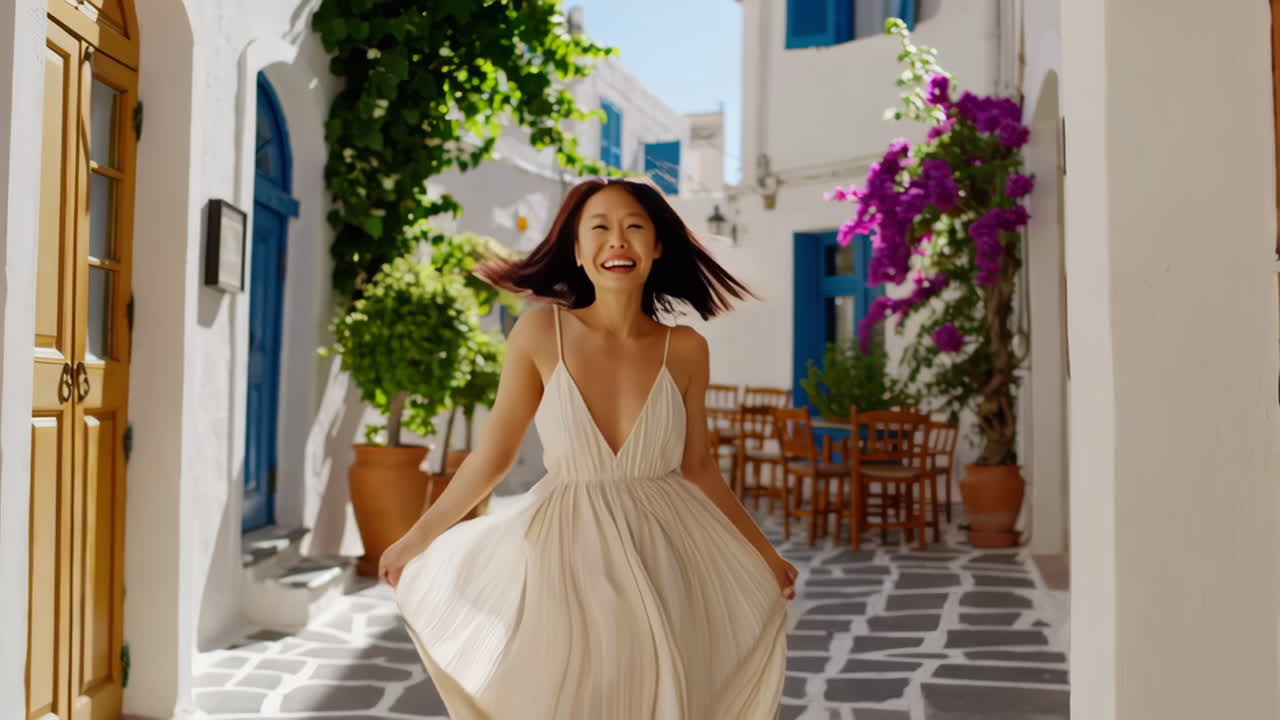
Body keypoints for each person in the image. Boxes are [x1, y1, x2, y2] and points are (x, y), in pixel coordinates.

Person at [380, 177, 797, 719]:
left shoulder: (687, 348)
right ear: (577, 252)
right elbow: (493, 457)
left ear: (658, 244)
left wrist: (765, 555)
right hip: (567, 552)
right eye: (599, 229)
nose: (616, 241)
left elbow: (699, 467)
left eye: (633, 228)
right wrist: (417, 538)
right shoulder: (539, 333)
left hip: (665, 552)